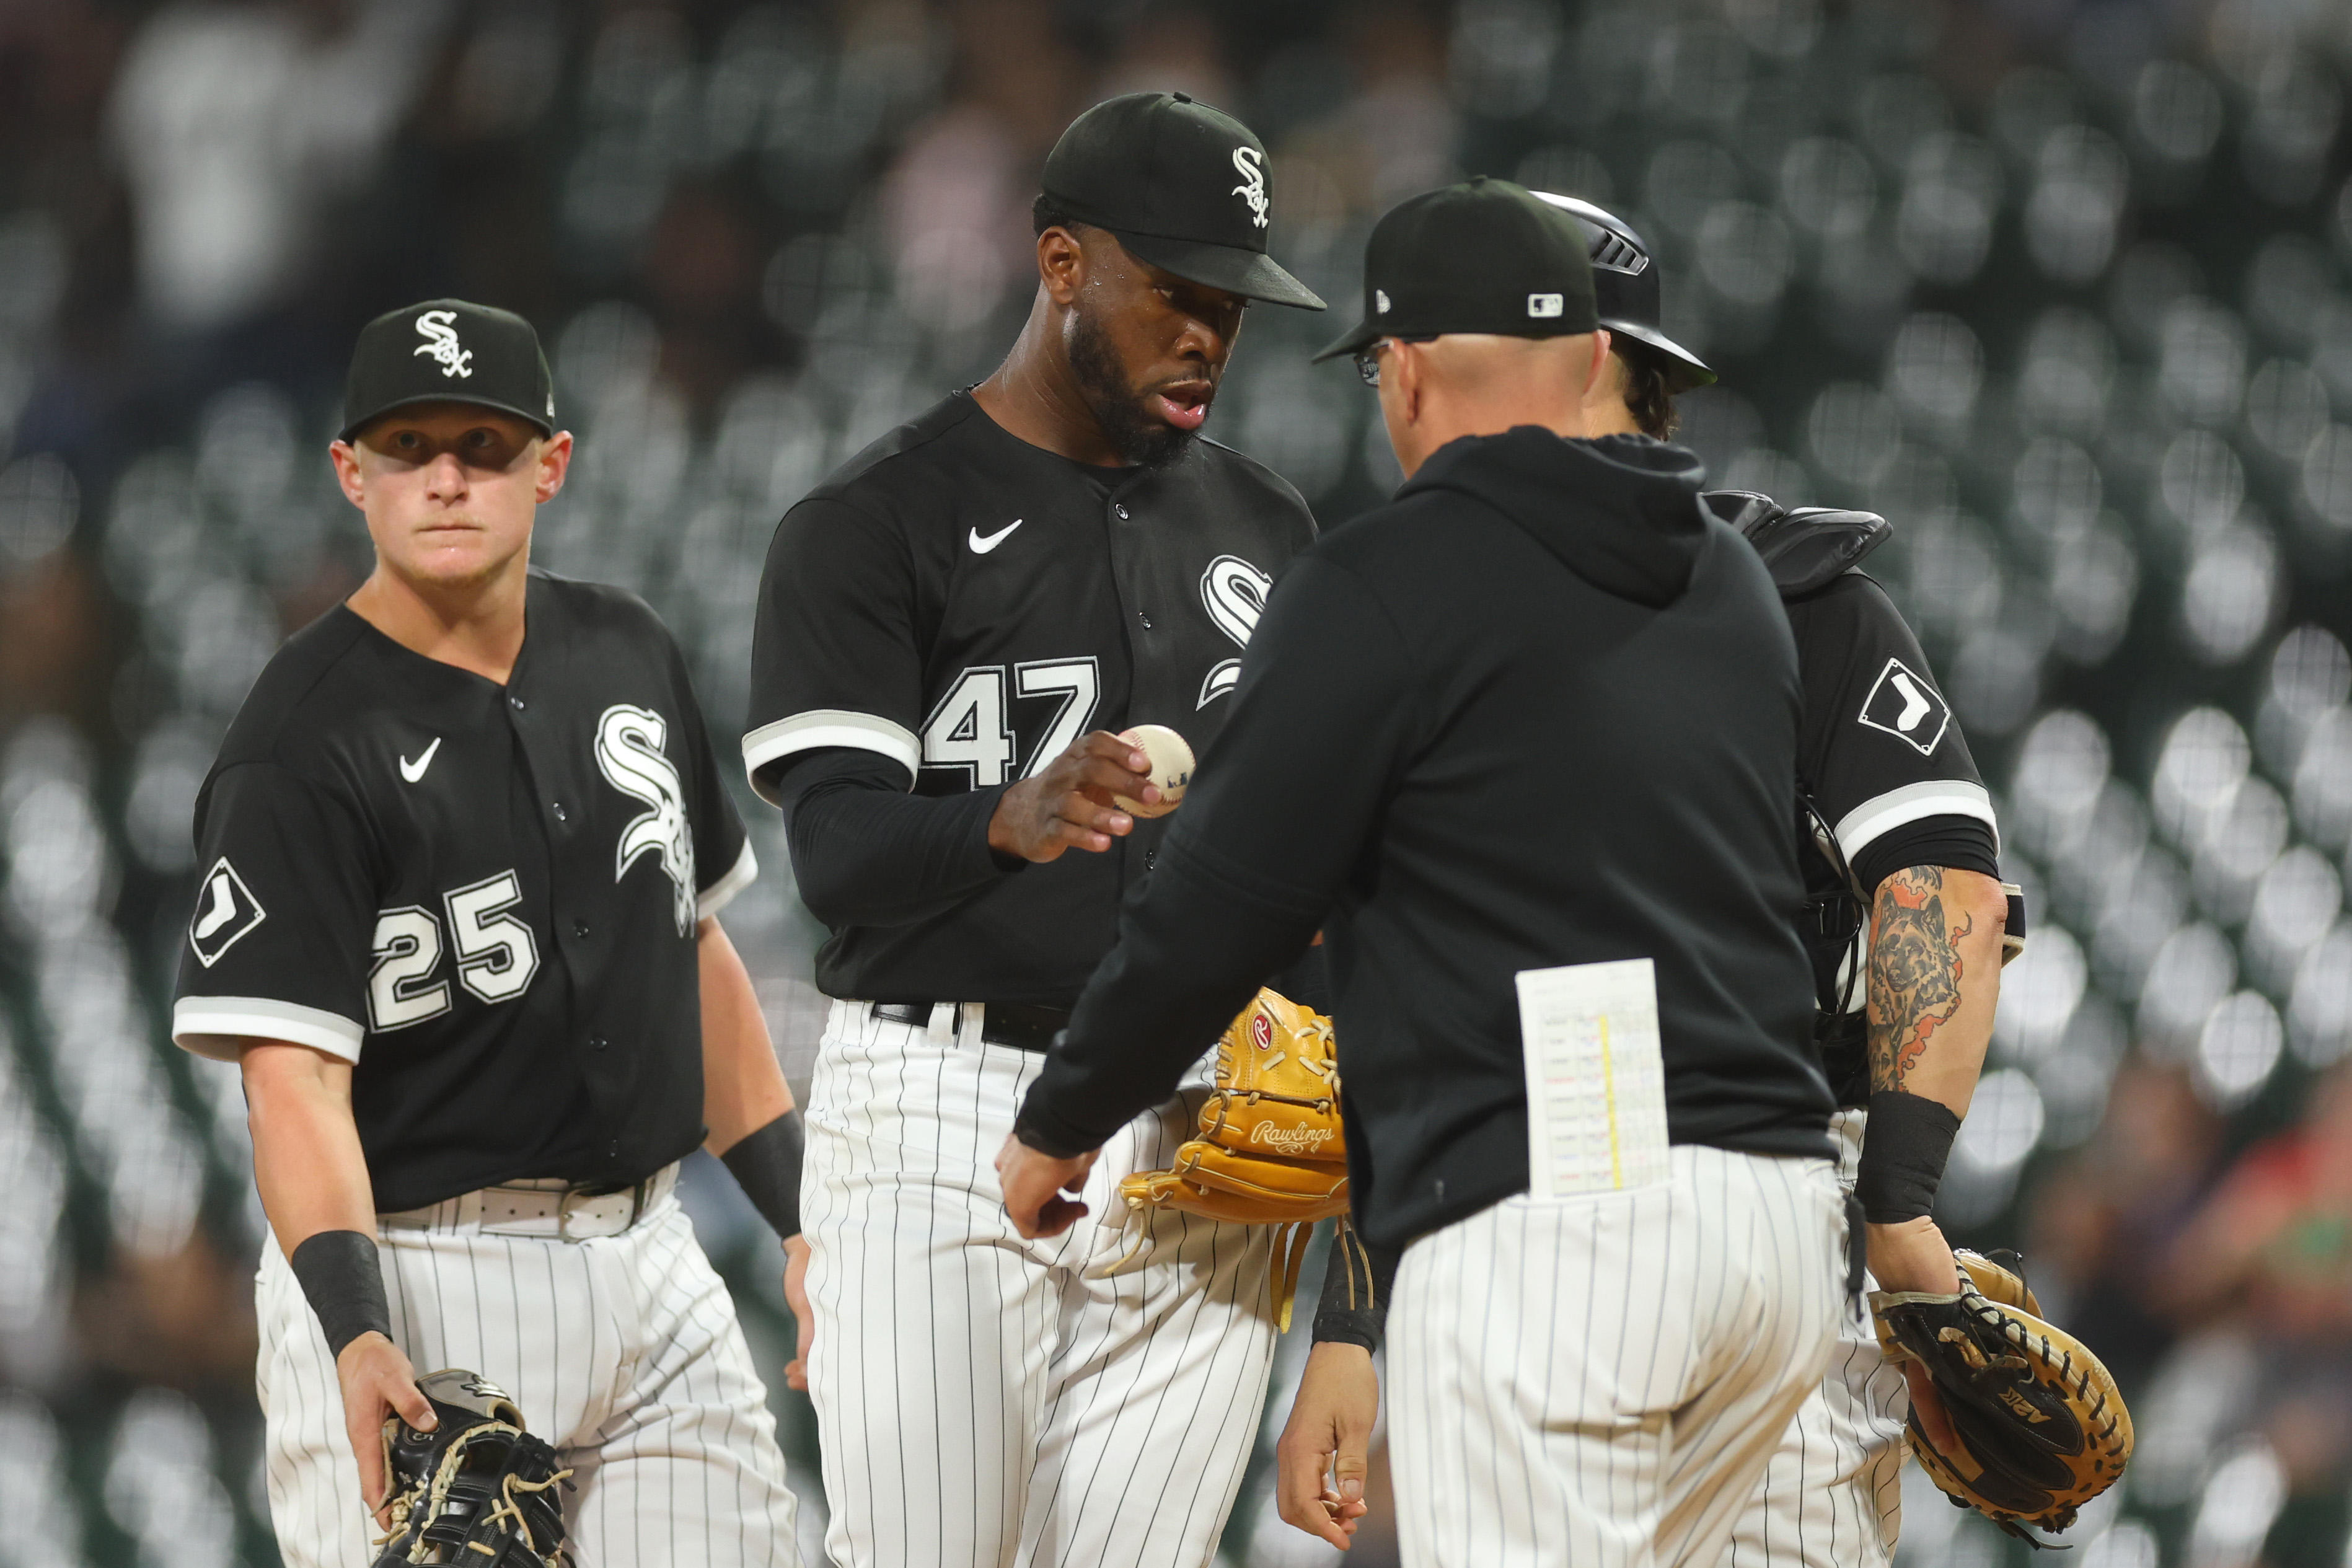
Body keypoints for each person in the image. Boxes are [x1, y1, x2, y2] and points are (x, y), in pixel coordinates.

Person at [1000, 176, 1862, 1568]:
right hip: (1774, 1221)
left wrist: (1065, 1112)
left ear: (1395, 372)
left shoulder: (1382, 581)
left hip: (1558, 1209)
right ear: (1593, 360)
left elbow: (1220, 901)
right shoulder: (1731, 584)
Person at [1268, 195, 2015, 1560]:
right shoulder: (1794, 597)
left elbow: (1415, 1011)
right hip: (1791, 1217)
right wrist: (1897, 1200)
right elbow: (1941, 894)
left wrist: (1354, 1320)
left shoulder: (1435, 619)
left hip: (1541, 1174)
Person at [741, 92, 1328, 1568]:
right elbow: (836, 854)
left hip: (1206, 1128)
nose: (1209, 333)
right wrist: (1000, 821)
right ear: (1062, 263)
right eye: (1175, 292)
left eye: (1234, 302)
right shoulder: (875, 519)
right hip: (944, 1102)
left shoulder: (1275, 534)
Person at [170, 300, 806, 1568]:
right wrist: (355, 1329)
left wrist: (801, 1226)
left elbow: (692, 957)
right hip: (422, 1273)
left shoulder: (627, 649)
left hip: (652, 1252)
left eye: (483, 442)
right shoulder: (298, 742)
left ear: (549, 465)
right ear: (352, 472)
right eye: (409, 446)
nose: (448, 477)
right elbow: (291, 1081)